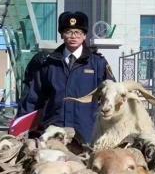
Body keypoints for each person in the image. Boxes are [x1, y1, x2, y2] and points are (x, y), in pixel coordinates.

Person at [17, 11, 114, 143]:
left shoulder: (98, 63)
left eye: (78, 32)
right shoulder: (48, 63)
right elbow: (32, 98)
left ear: (84, 35)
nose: (73, 36)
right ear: (62, 35)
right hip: (53, 131)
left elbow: (111, 95)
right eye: (68, 32)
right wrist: (20, 128)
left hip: (86, 132)